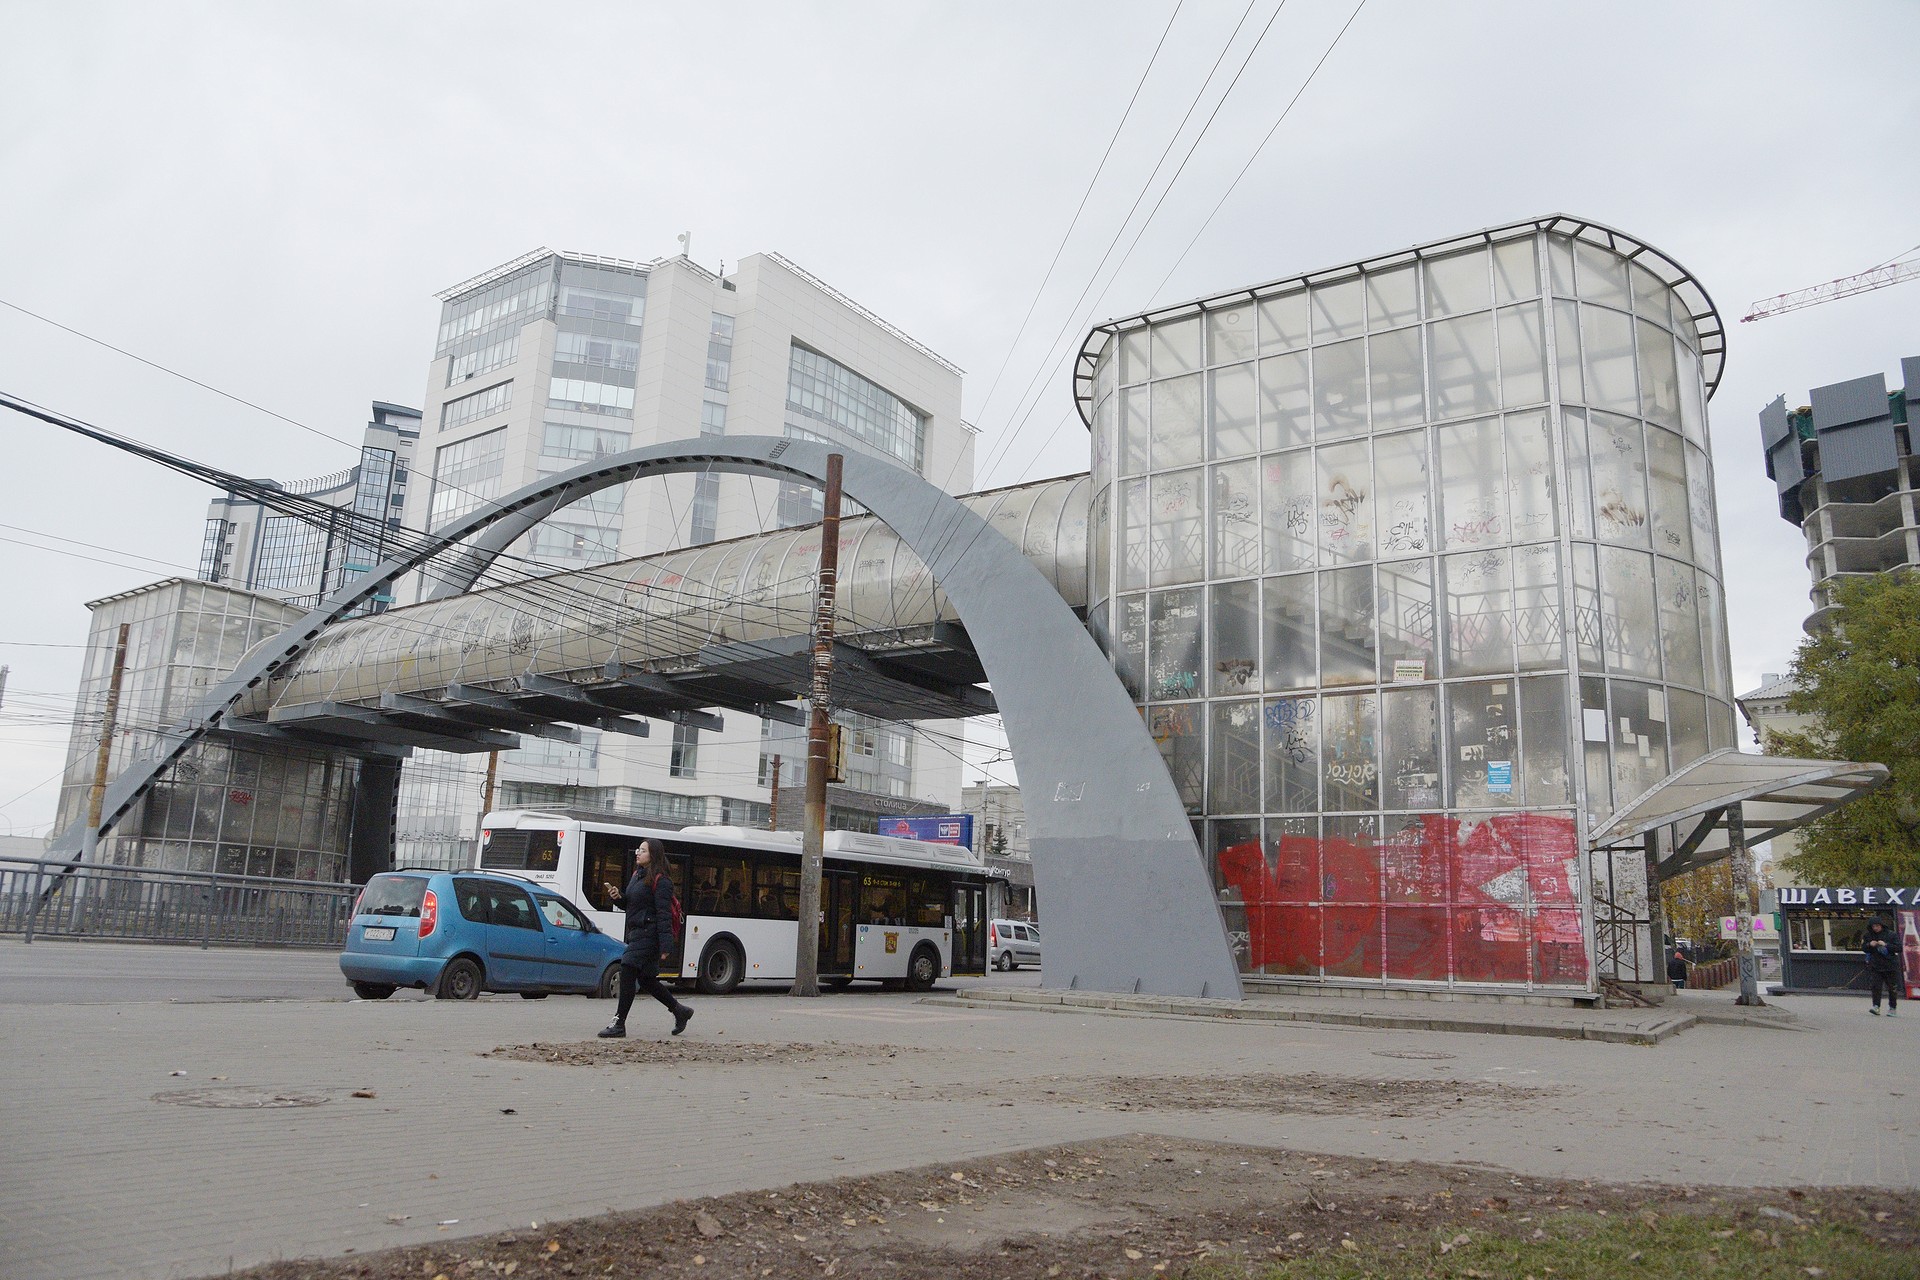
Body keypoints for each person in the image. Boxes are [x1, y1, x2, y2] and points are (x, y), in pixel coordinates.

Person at [598, 839, 693, 1038]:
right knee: (647, 979)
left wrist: (667, 945)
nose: (637, 853)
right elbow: (631, 905)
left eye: (642, 850)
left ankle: (619, 1023)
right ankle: (680, 1011)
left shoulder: (662, 881)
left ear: (653, 855)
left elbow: (664, 913)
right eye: (638, 850)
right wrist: (618, 897)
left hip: (649, 934)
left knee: (627, 967)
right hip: (637, 933)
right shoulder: (637, 876)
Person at [1863, 917, 1902, 1016]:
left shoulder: (1891, 934)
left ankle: (1892, 1008)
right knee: (1875, 987)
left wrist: (1886, 945)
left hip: (1890, 966)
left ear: (1881, 925)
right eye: (1873, 926)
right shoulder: (1868, 935)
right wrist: (1869, 945)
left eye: (1877, 926)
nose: (1875, 928)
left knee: (1892, 988)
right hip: (1876, 965)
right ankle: (1876, 1006)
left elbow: (1899, 948)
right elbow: (1864, 948)